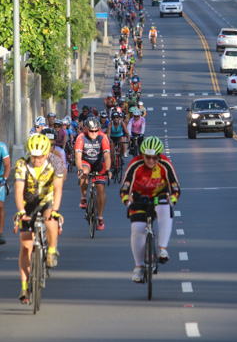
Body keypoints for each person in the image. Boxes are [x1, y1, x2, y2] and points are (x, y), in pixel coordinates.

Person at [120, 136, 180, 282]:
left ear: (159, 156)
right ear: (143, 155)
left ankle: (162, 249)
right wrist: (126, 198)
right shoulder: (135, 164)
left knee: (165, 206)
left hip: (159, 194)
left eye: (154, 158)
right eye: (147, 157)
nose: (151, 161)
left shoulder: (165, 164)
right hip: (139, 196)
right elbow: (126, 185)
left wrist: (173, 198)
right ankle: (138, 267)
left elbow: (175, 186)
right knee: (138, 229)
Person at [13, 134, 64, 304]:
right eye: (34, 156)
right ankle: (24, 287)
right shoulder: (22, 164)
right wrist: (21, 211)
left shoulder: (55, 162)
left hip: (47, 201)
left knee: (50, 220)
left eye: (40, 156)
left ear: (47, 153)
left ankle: (51, 251)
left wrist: (55, 210)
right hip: (28, 203)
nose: (37, 159)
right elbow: (19, 190)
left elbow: (58, 188)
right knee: (26, 245)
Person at [74, 117, 112, 230]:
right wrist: (80, 169)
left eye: (96, 131)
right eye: (91, 131)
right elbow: (78, 156)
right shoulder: (81, 138)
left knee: (100, 189)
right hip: (86, 162)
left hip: (99, 163)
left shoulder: (103, 137)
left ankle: (100, 217)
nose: (94, 133)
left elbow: (107, 155)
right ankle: (83, 197)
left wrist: (108, 170)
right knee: (84, 172)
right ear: (86, 129)